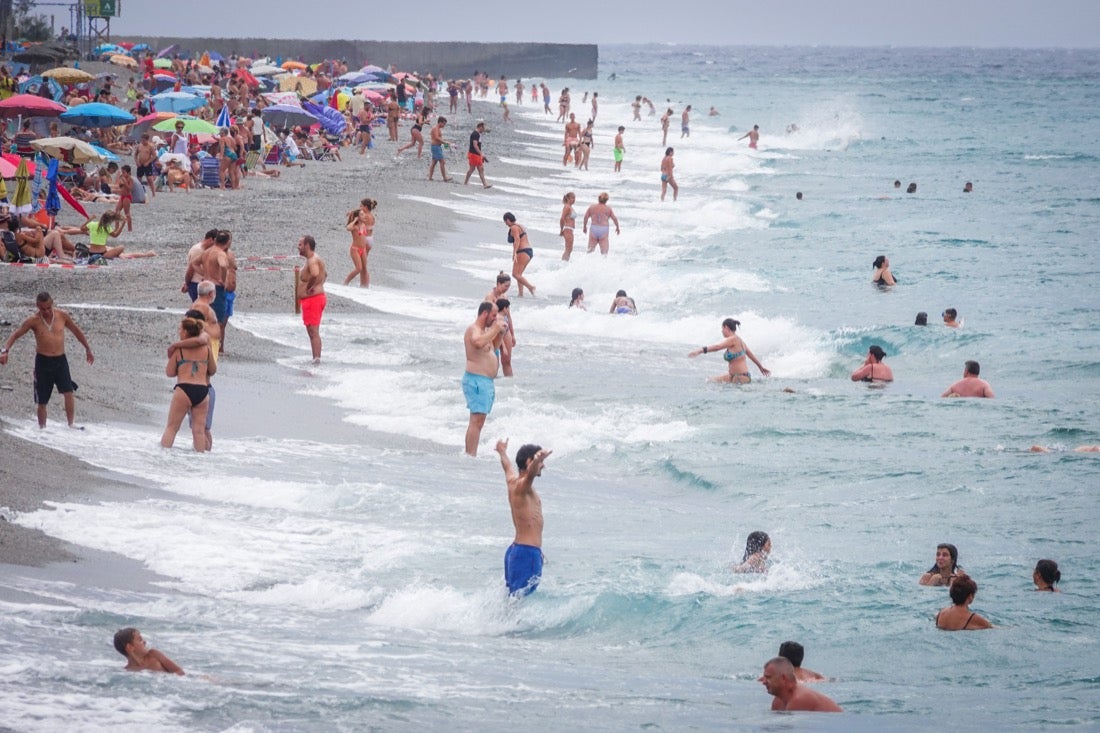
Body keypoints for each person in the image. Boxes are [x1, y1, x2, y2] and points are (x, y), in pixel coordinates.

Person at [0, 292, 94, 428]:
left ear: (52, 304)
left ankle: (71, 424)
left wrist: (88, 349)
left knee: (68, 392)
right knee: (42, 400)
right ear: (38, 307)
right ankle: (42, 430)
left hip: (61, 361)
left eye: (48, 308)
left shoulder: (62, 315)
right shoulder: (33, 321)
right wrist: (5, 351)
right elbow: (15, 335)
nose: (46, 311)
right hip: (43, 362)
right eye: (43, 309)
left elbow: (76, 331)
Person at [496, 438, 553, 597]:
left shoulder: (512, 481)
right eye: (541, 463)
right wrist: (537, 460)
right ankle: (508, 623)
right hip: (526, 553)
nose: (543, 465)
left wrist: (502, 452)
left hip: (518, 551)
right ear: (529, 461)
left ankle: (500, 622)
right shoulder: (522, 486)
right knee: (519, 601)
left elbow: (507, 466)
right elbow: (531, 474)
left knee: (514, 601)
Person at [160, 316, 216, 451]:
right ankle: (199, 461)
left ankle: (162, 457)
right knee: (199, 431)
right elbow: (213, 370)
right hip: (202, 391)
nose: (179, 332)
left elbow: (169, 372)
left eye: (180, 329)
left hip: (184, 389)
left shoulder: (179, 350)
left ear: (185, 332)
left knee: (172, 428)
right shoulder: (206, 349)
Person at [463, 301, 507, 456]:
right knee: (477, 420)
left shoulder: (485, 330)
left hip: (485, 381)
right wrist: (495, 329)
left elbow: (492, 348)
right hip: (476, 380)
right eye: (493, 315)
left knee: (479, 420)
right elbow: (477, 343)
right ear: (484, 314)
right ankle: (470, 455)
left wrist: (500, 334)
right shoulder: (474, 329)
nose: (495, 319)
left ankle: (470, 453)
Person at [688, 318, 771, 384]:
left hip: (740, 377)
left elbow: (717, 347)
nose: (721, 331)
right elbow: (751, 355)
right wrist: (761, 367)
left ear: (726, 327)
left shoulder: (733, 339)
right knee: (710, 380)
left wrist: (699, 351)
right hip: (734, 376)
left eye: (722, 328)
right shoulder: (740, 341)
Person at [759, 657, 842, 712]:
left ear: (783, 678)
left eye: (768, 677)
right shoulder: (778, 701)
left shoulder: (799, 699)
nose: (764, 682)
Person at [297, 234, 327, 363]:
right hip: (313, 299)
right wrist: (318, 284)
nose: (298, 247)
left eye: (300, 244)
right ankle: (315, 358)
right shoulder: (313, 259)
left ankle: (316, 360)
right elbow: (325, 274)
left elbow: (315, 274)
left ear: (307, 245)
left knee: (313, 331)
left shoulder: (312, 260)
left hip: (313, 300)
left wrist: (310, 287)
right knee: (312, 331)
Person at [112, 628, 184, 675]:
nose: (144, 642)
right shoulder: (129, 672)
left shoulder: (153, 654)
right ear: (130, 647)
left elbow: (179, 671)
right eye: (140, 640)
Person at [343, 198, 375, 287]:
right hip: (357, 247)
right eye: (361, 214)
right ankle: (347, 283)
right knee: (360, 268)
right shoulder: (357, 225)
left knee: (363, 268)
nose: (360, 209)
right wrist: (354, 219)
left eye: (361, 206)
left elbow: (361, 216)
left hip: (364, 246)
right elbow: (348, 228)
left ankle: (364, 285)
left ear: (365, 207)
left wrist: (353, 213)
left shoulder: (364, 223)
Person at [503, 212, 536, 297]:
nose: (505, 224)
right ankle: (520, 294)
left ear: (507, 220)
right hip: (528, 251)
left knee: (515, 274)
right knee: (519, 274)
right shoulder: (520, 226)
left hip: (522, 251)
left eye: (505, 222)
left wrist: (514, 253)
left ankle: (531, 287)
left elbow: (517, 240)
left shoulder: (514, 227)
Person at [464, 121, 492, 188]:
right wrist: (481, 154)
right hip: (474, 154)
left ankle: (466, 182)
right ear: (480, 127)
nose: (484, 130)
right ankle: (484, 184)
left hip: (474, 154)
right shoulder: (475, 134)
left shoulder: (477, 134)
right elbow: (475, 145)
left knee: (475, 169)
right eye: (483, 128)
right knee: (477, 169)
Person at [427, 116, 453, 182]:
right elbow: (436, 138)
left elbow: (439, 138)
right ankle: (444, 178)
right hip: (435, 147)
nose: (444, 125)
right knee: (442, 161)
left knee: (434, 162)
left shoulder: (438, 129)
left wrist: (446, 144)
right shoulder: (435, 128)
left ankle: (430, 177)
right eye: (444, 124)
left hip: (437, 146)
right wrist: (445, 142)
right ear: (440, 122)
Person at [496, 298, 516, 378]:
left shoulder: (505, 316)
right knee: (496, 362)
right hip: (499, 335)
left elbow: (509, 320)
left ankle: (509, 378)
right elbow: (498, 334)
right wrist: (503, 346)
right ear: (504, 308)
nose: (509, 310)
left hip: (506, 331)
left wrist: (513, 335)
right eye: (508, 308)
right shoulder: (497, 317)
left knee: (507, 361)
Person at [559, 192, 577, 260]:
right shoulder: (566, 207)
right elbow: (562, 218)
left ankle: (565, 263)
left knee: (570, 249)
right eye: (572, 198)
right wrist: (561, 229)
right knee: (568, 249)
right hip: (567, 229)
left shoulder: (570, 207)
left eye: (574, 198)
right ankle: (563, 263)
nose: (574, 199)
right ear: (568, 198)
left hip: (570, 230)